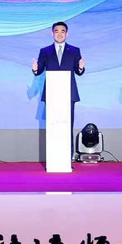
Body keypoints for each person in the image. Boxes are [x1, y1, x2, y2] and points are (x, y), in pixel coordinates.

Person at [31, 21, 85, 158]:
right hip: (52, 93)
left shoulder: (74, 50)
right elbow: (39, 70)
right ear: (52, 33)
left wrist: (80, 67)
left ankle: (68, 157)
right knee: (53, 125)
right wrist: (35, 69)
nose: (59, 34)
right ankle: (53, 157)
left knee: (67, 126)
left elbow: (78, 72)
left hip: (69, 94)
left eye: (62, 31)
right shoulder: (45, 51)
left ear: (67, 34)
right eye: (56, 31)